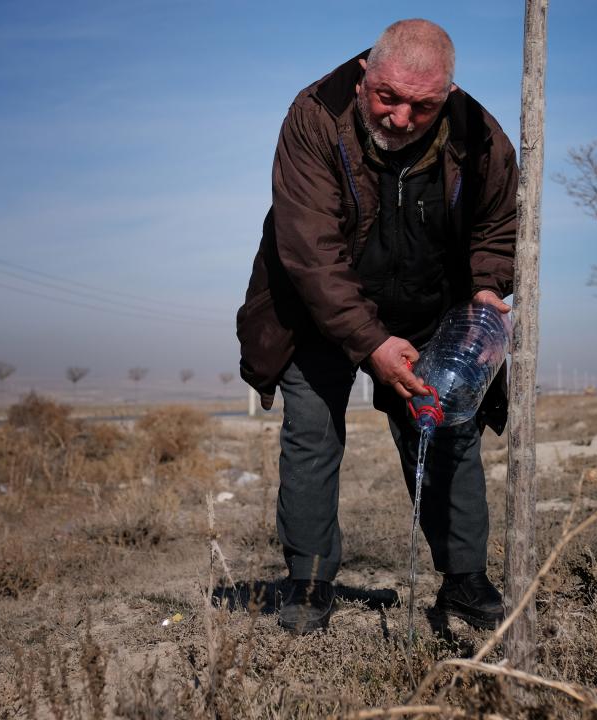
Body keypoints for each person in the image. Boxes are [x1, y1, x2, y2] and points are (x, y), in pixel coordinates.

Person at [235, 18, 517, 634]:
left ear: (447, 93)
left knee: (446, 430)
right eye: (388, 97)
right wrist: (370, 343)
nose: (400, 118)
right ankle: (308, 584)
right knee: (311, 433)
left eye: (423, 105)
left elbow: (497, 228)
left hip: (425, 311)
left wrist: (488, 289)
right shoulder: (314, 118)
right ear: (366, 74)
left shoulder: (481, 136)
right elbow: (310, 252)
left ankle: (465, 582)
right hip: (318, 309)